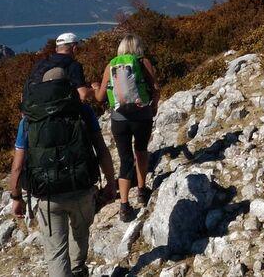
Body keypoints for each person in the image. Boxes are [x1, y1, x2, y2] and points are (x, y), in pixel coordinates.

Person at [10, 32, 117, 277]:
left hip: (47, 194)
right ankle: (78, 271)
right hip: (81, 187)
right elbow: (101, 150)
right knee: (80, 235)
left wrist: (16, 196)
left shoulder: (29, 120)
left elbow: (17, 165)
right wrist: (111, 183)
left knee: (56, 253)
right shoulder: (82, 111)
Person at [93, 34, 160, 222]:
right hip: (142, 116)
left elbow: (99, 97)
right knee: (141, 151)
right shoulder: (143, 62)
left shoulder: (111, 66)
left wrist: (96, 87)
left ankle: (124, 205)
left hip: (119, 120)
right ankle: (141, 191)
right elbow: (156, 87)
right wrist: (153, 106)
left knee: (125, 159)